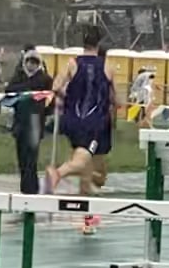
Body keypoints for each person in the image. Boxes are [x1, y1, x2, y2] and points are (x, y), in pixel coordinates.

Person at [43, 25, 116, 232]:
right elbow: (115, 98)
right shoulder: (108, 67)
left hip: (72, 121)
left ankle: (88, 218)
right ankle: (58, 173)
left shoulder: (72, 63)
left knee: (89, 172)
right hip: (93, 123)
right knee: (83, 162)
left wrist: (67, 97)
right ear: (99, 44)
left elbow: (56, 87)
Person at [3, 46, 53, 194]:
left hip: (36, 122)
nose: (31, 65)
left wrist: (44, 112)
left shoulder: (45, 79)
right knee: (22, 157)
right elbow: (9, 91)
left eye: (35, 62)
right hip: (20, 122)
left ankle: (32, 188)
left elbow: (51, 98)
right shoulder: (18, 77)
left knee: (31, 157)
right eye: (29, 61)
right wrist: (25, 90)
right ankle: (24, 188)